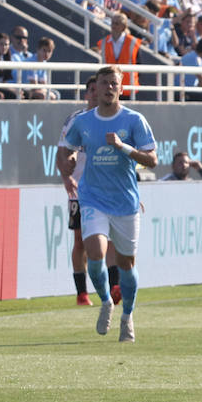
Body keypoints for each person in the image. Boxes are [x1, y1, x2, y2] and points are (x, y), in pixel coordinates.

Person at [58, 66, 158, 343]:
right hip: (93, 198)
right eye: (104, 83)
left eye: (114, 83)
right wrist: (66, 165)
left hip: (125, 201)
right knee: (95, 251)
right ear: (96, 88)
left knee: (126, 263)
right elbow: (64, 151)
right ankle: (105, 301)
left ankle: (128, 316)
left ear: (120, 87)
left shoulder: (134, 120)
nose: (109, 88)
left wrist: (123, 147)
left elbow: (152, 159)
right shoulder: (83, 122)